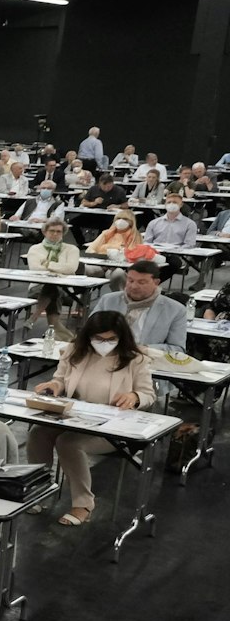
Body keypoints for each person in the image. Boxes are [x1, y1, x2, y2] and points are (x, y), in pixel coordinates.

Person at [26, 312, 154, 526]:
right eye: (99, 339)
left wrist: (134, 396)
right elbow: (60, 380)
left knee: (69, 444)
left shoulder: (136, 360)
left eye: (110, 339)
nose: (104, 344)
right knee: (38, 433)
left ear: (121, 338)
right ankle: (37, 489)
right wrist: (54, 387)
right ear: (88, 336)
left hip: (112, 426)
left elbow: (148, 394)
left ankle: (83, 503)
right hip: (74, 417)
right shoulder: (74, 352)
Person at [92, 261, 187, 351]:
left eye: (141, 282)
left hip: (148, 360)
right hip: (106, 355)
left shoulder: (175, 310)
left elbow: (177, 349)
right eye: (130, 281)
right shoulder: (108, 300)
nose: (134, 286)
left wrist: (142, 349)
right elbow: (89, 332)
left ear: (156, 282)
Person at [21, 218, 81, 327]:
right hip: (38, 286)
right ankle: (53, 330)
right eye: (52, 231)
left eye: (59, 231)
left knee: (53, 288)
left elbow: (71, 269)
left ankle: (34, 318)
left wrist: (48, 264)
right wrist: (59, 271)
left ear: (63, 233)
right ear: (44, 232)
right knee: (52, 288)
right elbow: (35, 269)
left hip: (66, 288)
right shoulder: (35, 249)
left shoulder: (72, 249)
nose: (55, 234)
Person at [141, 197, 197, 277]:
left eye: (175, 202)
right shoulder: (154, 223)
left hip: (175, 255)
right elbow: (147, 242)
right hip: (155, 253)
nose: (171, 204)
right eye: (169, 202)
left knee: (174, 263)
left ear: (181, 205)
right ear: (165, 204)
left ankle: (152, 283)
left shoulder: (190, 224)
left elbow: (189, 244)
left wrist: (175, 249)